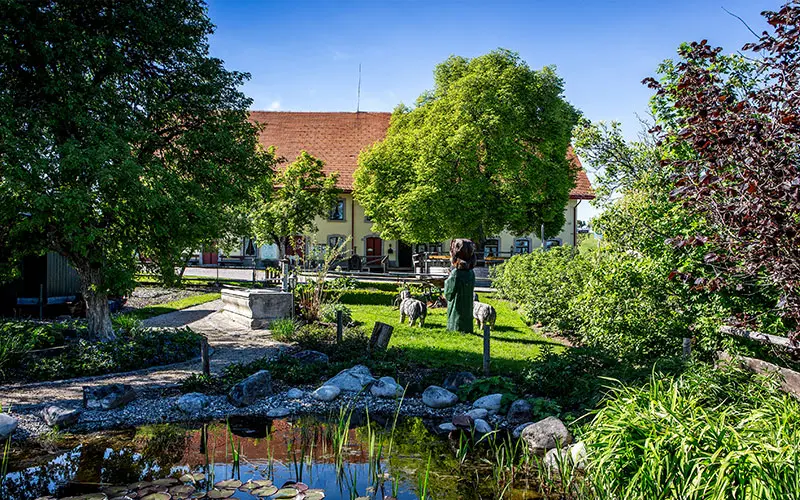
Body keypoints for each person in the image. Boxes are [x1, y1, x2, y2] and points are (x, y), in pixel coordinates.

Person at [444, 238, 476, 333]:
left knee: (456, 318)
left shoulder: (456, 273)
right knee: (467, 315)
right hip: (467, 306)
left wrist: (448, 280)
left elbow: (449, 294)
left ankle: (455, 329)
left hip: (456, 311)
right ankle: (467, 329)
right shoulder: (471, 273)